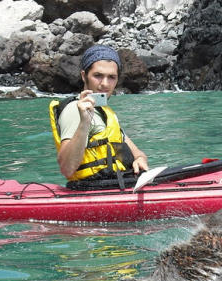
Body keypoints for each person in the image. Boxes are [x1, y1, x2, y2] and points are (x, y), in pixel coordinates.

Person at [50, 44, 149, 186]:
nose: (105, 83)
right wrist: (84, 122)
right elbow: (67, 168)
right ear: (84, 76)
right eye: (98, 76)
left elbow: (137, 153)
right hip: (91, 190)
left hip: (118, 183)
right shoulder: (74, 111)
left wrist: (140, 160)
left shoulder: (105, 113)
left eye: (111, 77)